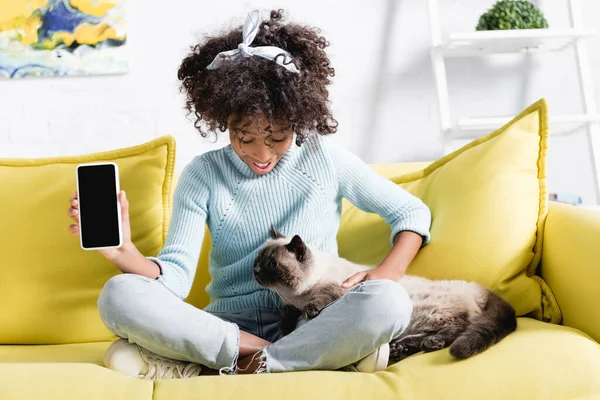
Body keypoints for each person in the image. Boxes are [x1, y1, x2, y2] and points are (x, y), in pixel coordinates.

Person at [67, 8, 431, 380]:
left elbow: (411, 214)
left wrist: (386, 273)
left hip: (314, 318)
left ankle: (205, 365)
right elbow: (174, 280)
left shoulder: (325, 159)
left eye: (277, 139)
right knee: (119, 295)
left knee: (389, 302)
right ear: (223, 119)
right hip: (228, 327)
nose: (261, 154)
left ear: (299, 119)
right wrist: (123, 251)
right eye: (245, 138)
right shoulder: (203, 174)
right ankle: (277, 357)